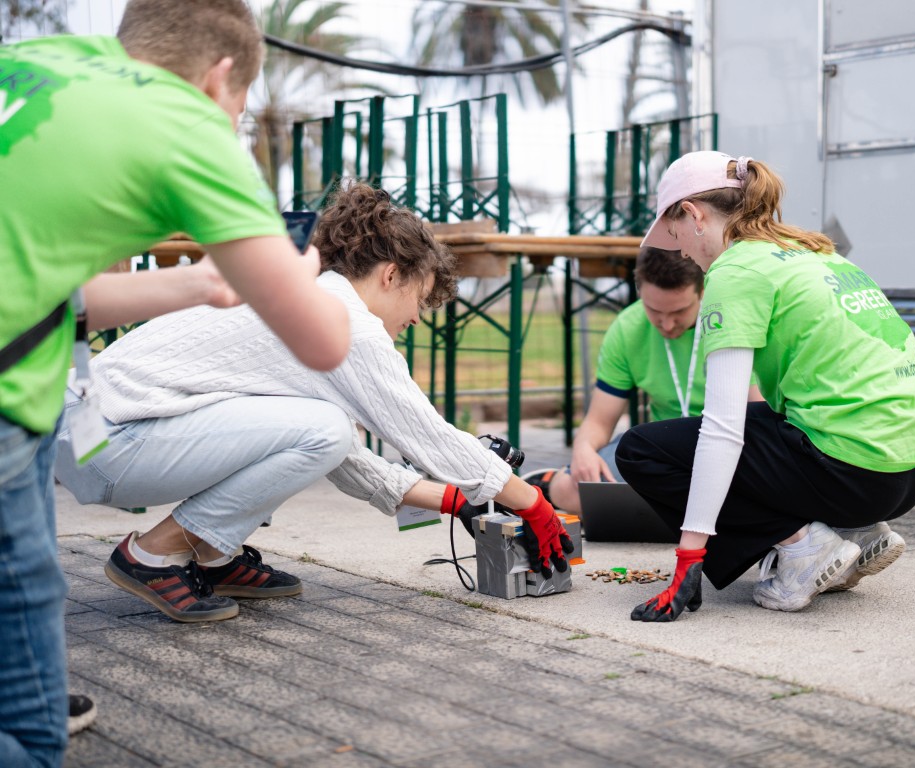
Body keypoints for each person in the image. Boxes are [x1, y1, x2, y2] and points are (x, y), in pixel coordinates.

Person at [0, 1, 353, 764]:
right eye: (239, 110)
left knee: (27, 592)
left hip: (26, 382)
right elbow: (323, 341)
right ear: (220, 77)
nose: (232, 125)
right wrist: (297, 272)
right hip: (10, 402)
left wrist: (201, 285)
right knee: (28, 717)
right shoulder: (182, 119)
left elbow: (47, 292)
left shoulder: (35, 64)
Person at [54, 180, 573, 626]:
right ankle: (152, 556)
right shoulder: (346, 321)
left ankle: (213, 554)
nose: (417, 317)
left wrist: (456, 499)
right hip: (111, 441)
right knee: (324, 427)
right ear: (391, 274)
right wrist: (532, 502)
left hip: (85, 434)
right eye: (419, 299)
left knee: (322, 430)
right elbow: (426, 436)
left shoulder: (305, 293)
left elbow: (338, 457)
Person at [616, 151, 915, 622]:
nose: (682, 253)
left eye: (675, 235)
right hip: (913, 467)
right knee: (761, 424)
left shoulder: (735, 270)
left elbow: (723, 429)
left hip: (853, 472)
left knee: (642, 450)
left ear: (693, 214)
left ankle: (805, 548)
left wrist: (690, 555)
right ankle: (852, 533)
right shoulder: (809, 250)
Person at [527, 247, 760, 517]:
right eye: (654, 310)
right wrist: (583, 449)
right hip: (661, 450)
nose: (667, 324)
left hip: (728, 445)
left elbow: (760, 418)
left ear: (703, 291)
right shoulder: (628, 327)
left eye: (679, 311)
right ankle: (551, 481)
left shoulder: (730, 320)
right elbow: (599, 421)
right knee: (568, 489)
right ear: (639, 291)